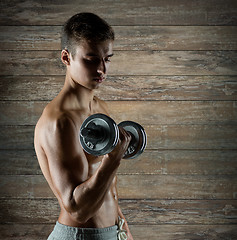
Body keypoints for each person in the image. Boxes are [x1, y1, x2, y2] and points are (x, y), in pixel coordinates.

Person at [34, 12, 134, 240]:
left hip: (112, 232)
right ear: (66, 57)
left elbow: (108, 187)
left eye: (107, 59)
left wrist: (124, 230)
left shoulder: (99, 108)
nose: (102, 70)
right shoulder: (59, 121)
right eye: (91, 60)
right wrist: (113, 159)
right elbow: (77, 209)